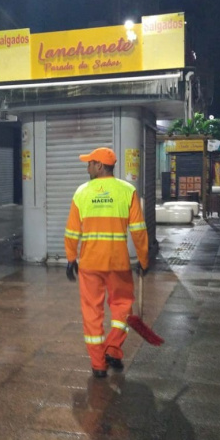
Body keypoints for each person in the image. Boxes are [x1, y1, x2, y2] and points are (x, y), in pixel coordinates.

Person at [64, 147, 149, 378]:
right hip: (118, 263)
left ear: (100, 166)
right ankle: (113, 348)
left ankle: (98, 364)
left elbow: (72, 231)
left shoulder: (81, 192)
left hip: (90, 264)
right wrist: (143, 259)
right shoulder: (127, 190)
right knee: (122, 307)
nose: (87, 167)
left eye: (90, 163)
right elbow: (139, 231)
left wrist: (71, 258)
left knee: (92, 312)